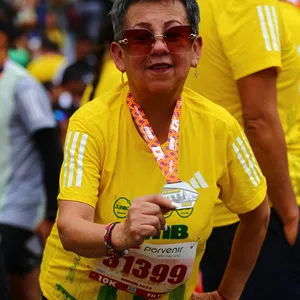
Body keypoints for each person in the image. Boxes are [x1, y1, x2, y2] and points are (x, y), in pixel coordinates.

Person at [40, 1, 270, 299]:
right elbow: (71, 227)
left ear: (196, 49)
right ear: (119, 56)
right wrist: (120, 234)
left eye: (174, 35)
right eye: (141, 38)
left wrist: (228, 294)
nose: (159, 47)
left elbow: (258, 214)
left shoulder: (221, 127)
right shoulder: (90, 123)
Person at [185, 0, 300, 299]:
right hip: (262, 207)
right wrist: (290, 215)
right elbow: (259, 119)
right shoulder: (250, 4)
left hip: (220, 203)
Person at [0, 20, 63, 300]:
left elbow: (50, 149)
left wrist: (51, 212)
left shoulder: (23, 86)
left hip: (19, 206)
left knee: (19, 275)